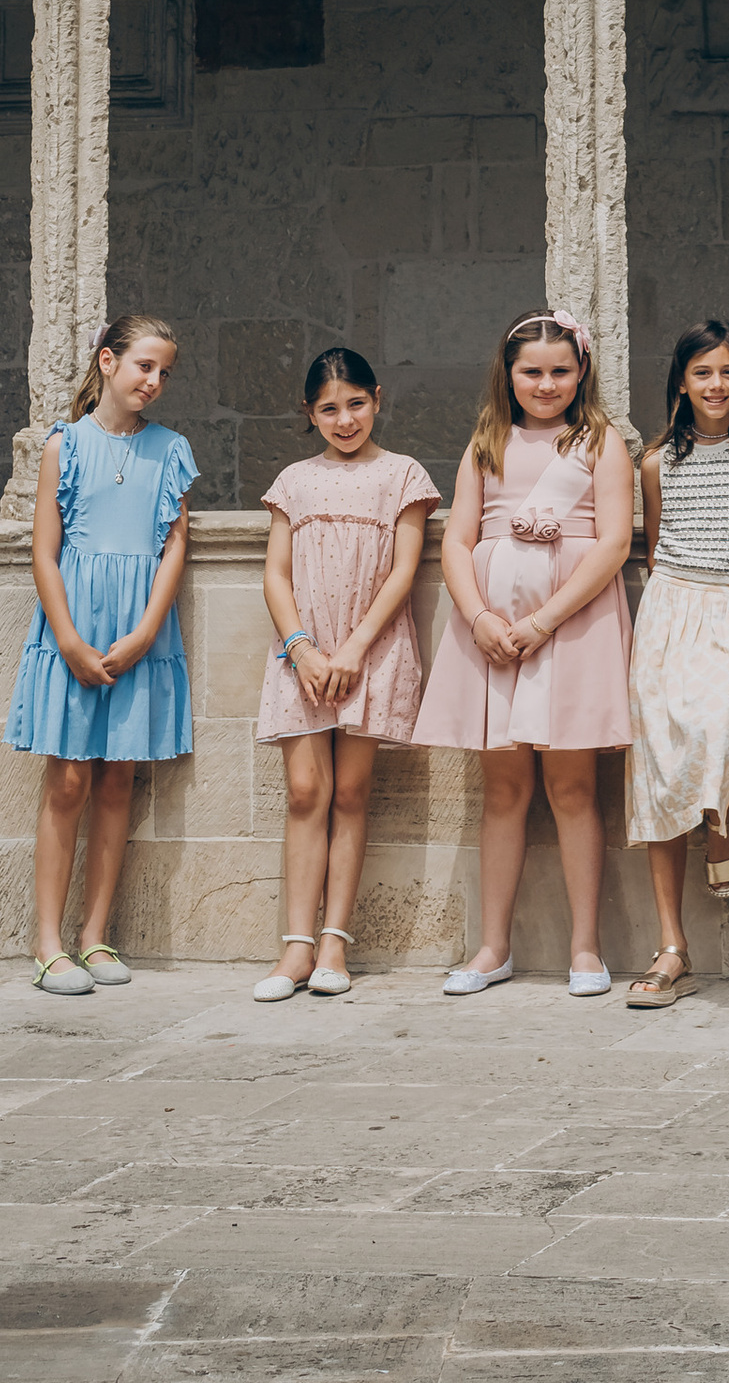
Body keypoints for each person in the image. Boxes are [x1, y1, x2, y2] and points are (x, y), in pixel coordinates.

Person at [412, 308, 635, 999]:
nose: (546, 383)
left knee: (572, 789)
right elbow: (455, 539)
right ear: (508, 375)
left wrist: (543, 620)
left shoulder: (601, 442)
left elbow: (614, 545)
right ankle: (492, 946)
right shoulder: (487, 443)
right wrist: (477, 615)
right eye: (531, 371)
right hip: (493, 634)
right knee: (504, 790)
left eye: (560, 371)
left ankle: (586, 948)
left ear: (582, 372)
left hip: (569, 628)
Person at [3, 313, 196, 998]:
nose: (155, 381)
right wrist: (69, 639)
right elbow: (44, 550)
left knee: (119, 779)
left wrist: (148, 629)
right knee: (69, 781)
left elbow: (175, 542)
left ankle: (96, 934)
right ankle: (47, 942)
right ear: (109, 362)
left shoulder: (171, 448)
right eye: (145, 365)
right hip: (76, 622)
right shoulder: (66, 444)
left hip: (140, 624)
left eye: (165, 371)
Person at [252, 344, 439, 1003]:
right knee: (307, 792)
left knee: (352, 793)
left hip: (371, 651)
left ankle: (335, 942)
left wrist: (356, 647)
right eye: (330, 408)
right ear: (310, 413)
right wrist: (302, 647)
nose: (345, 419)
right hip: (301, 654)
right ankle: (295, 947)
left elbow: (402, 569)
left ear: (378, 399)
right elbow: (276, 573)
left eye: (356, 403)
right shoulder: (293, 481)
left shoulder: (403, 476)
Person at [625, 317, 729, 1007]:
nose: (715, 384)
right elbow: (658, 543)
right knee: (660, 761)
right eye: (702, 372)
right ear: (682, 382)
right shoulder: (656, 461)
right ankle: (672, 948)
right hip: (668, 606)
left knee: (720, 729)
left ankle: (724, 824)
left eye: (727, 371)